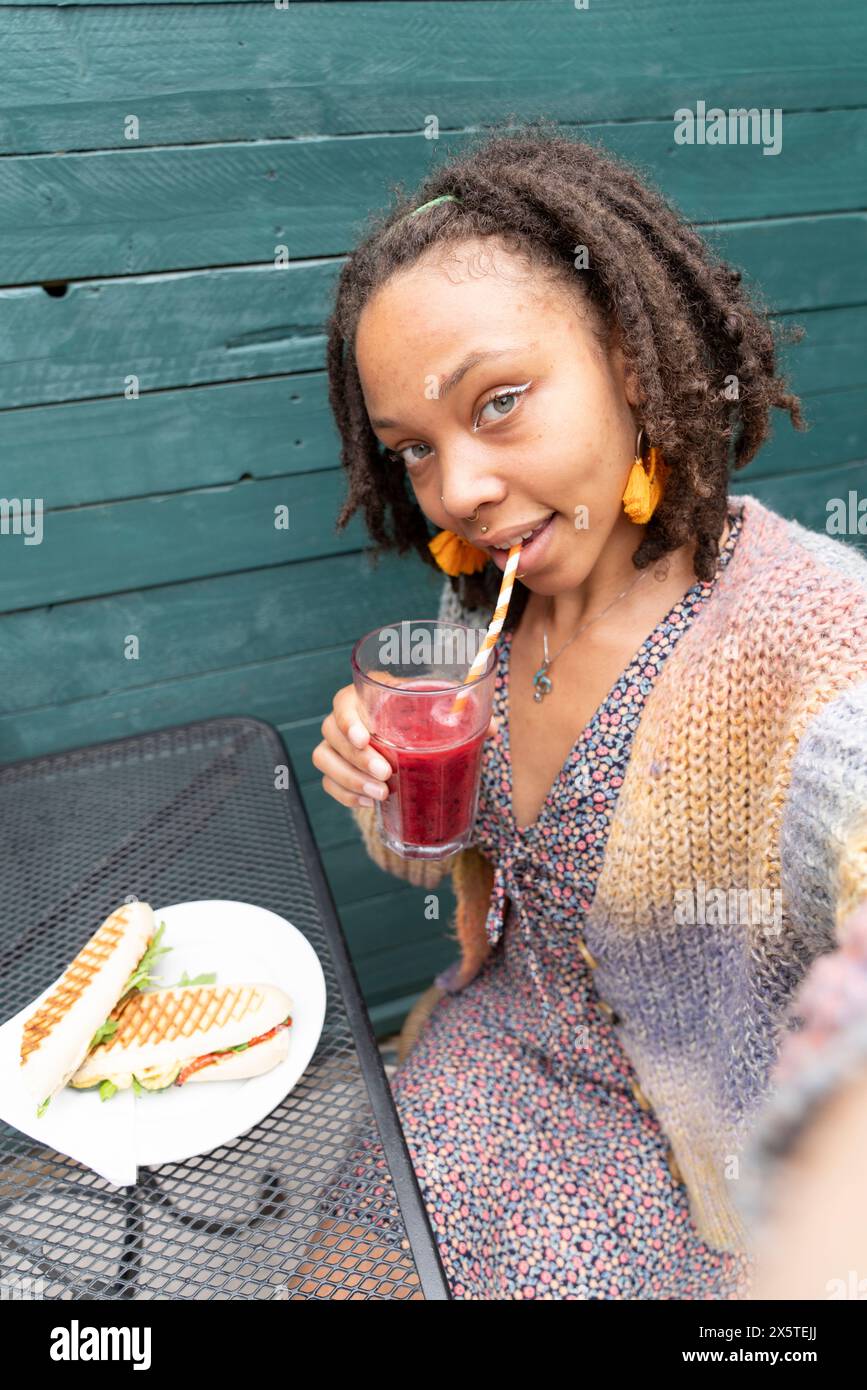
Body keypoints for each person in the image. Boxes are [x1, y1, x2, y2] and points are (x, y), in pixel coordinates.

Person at [306, 121, 867, 1300]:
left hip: (696, 1173)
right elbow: (468, 855)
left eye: (499, 400)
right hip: (497, 1049)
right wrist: (389, 793)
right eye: (414, 448)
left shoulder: (810, 638)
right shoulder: (495, 607)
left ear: (629, 356)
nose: (456, 486)